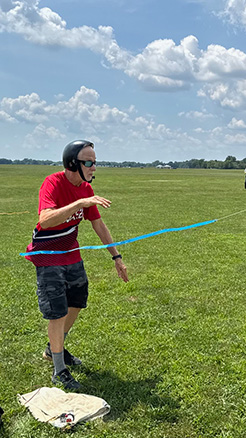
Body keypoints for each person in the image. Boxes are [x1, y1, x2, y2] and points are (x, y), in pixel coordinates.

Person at [25, 140, 129, 390]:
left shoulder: (85, 189)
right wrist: (80, 204)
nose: (94, 167)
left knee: (78, 300)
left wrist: (117, 258)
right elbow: (46, 219)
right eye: (89, 162)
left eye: (95, 162)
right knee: (57, 310)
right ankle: (59, 370)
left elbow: (98, 225)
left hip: (71, 254)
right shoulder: (52, 183)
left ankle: (53, 348)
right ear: (73, 163)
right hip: (48, 254)